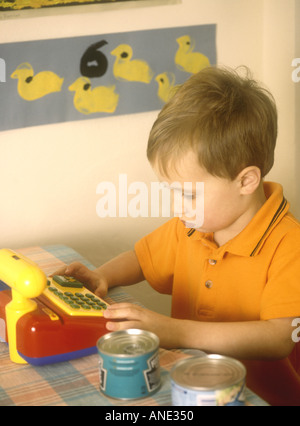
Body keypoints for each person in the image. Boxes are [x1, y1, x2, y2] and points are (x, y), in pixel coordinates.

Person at [54, 67, 300, 406]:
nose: (176, 206)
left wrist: (176, 331)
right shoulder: (192, 225)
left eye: (187, 193)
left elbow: (279, 337)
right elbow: (143, 258)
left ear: (246, 181)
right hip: (191, 386)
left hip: (262, 398)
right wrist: (102, 275)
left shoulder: (290, 245)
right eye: (169, 190)